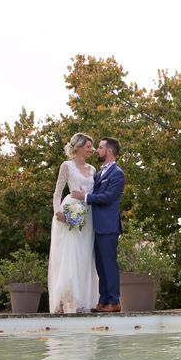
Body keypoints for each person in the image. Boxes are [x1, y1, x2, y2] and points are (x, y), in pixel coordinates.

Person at [72, 137, 125, 313]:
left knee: (109, 264)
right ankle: (103, 300)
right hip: (96, 225)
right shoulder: (99, 173)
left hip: (108, 226)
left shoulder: (117, 173)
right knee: (100, 265)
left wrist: (85, 197)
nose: (97, 150)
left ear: (109, 151)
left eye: (100, 147)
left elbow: (108, 197)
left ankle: (114, 301)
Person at [48, 133, 98, 313]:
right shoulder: (66, 166)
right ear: (77, 147)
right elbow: (57, 192)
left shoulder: (92, 169)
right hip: (69, 214)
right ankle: (63, 302)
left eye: (92, 147)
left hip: (88, 215)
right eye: (88, 146)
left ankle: (82, 301)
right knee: (69, 257)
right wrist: (58, 212)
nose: (91, 150)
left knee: (84, 257)